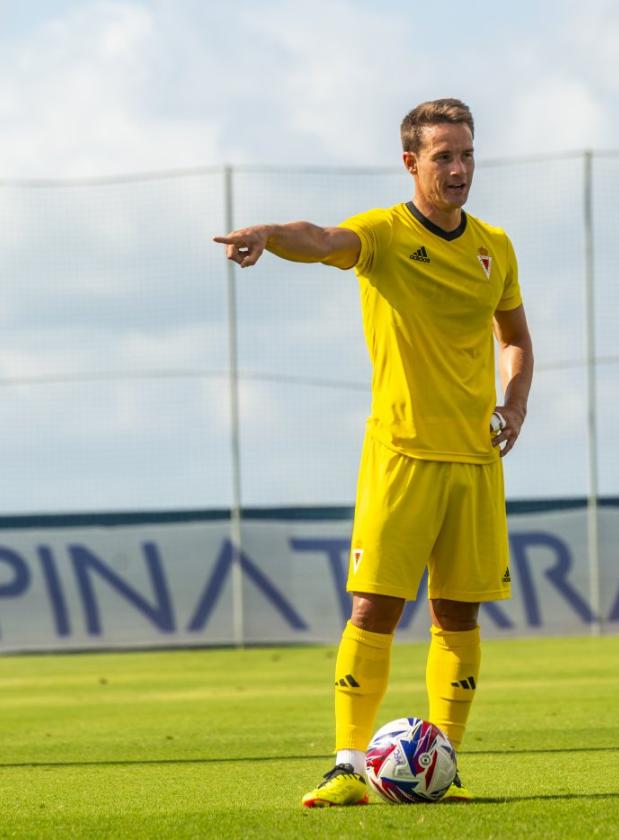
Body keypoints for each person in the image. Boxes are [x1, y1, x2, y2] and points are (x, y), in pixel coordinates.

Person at [213, 98, 533, 808]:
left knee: (459, 616)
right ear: (410, 162)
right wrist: (268, 233)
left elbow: (513, 337)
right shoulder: (384, 235)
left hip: (476, 461)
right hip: (402, 456)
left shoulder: (495, 245)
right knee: (373, 610)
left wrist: (513, 403)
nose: (459, 169)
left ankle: (444, 762)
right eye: (443, 155)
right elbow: (322, 238)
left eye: (468, 154)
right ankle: (349, 766)